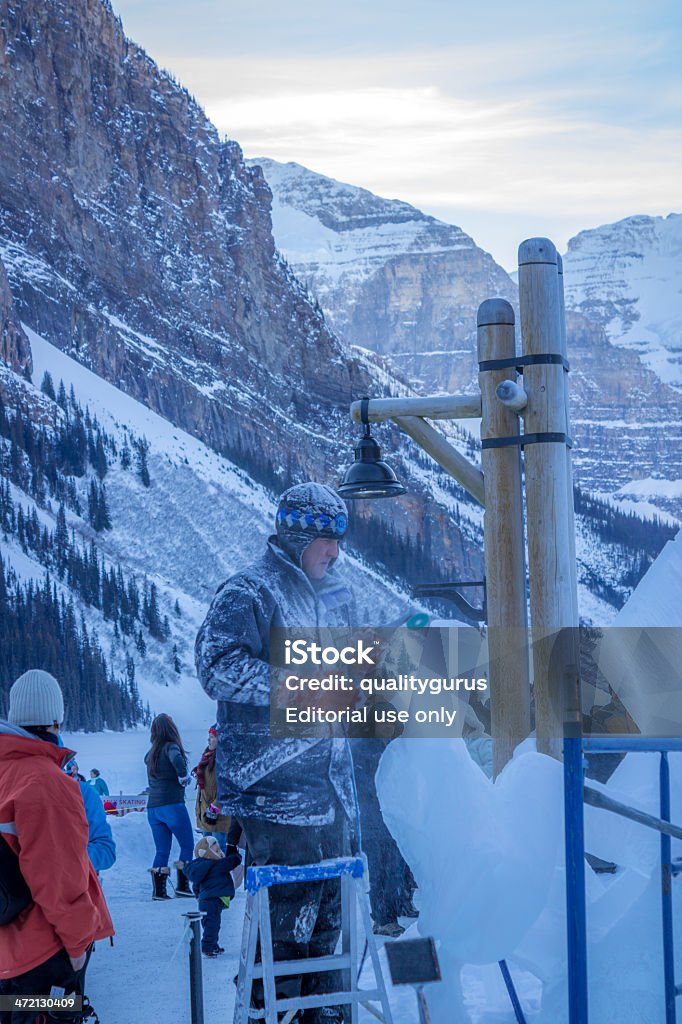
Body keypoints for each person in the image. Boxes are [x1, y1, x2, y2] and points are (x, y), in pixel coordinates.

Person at [195, 482, 359, 1023]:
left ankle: (328, 1014)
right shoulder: (250, 591)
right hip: (274, 792)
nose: (335, 552)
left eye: (339, 540)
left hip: (330, 791)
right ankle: (277, 1014)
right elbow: (216, 665)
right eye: (325, 540)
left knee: (332, 924)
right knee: (287, 926)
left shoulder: (332, 598)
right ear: (296, 536)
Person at [0, 669, 114, 1023]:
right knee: (57, 1013)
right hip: (44, 955)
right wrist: (78, 944)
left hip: (9, 953)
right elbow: (60, 878)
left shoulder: (7, 773)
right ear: (55, 720)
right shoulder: (47, 782)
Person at [144, 713, 195, 900]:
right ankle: (183, 887)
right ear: (171, 729)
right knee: (187, 845)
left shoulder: (150, 755)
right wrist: (183, 776)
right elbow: (176, 759)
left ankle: (159, 892)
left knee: (162, 850)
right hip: (172, 805)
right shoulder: (171, 747)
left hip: (153, 809)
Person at [181, 837, 241, 957]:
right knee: (212, 925)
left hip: (206, 900)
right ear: (208, 853)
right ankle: (208, 947)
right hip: (212, 900)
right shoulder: (216, 865)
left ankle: (213, 945)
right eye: (216, 851)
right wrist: (236, 854)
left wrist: (198, 895)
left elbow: (197, 884)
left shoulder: (203, 867)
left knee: (212, 924)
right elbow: (231, 862)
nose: (220, 853)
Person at [192, 724, 242, 854]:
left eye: (212, 737)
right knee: (207, 850)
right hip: (205, 811)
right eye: (209, 737)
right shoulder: (208, 756)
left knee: (218, 849)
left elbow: (227, 787)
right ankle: (211, 874)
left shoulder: (225, 759)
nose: (209, 740)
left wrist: (214, 807)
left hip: (218, 814)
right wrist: (199, 773)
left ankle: (222, 874)